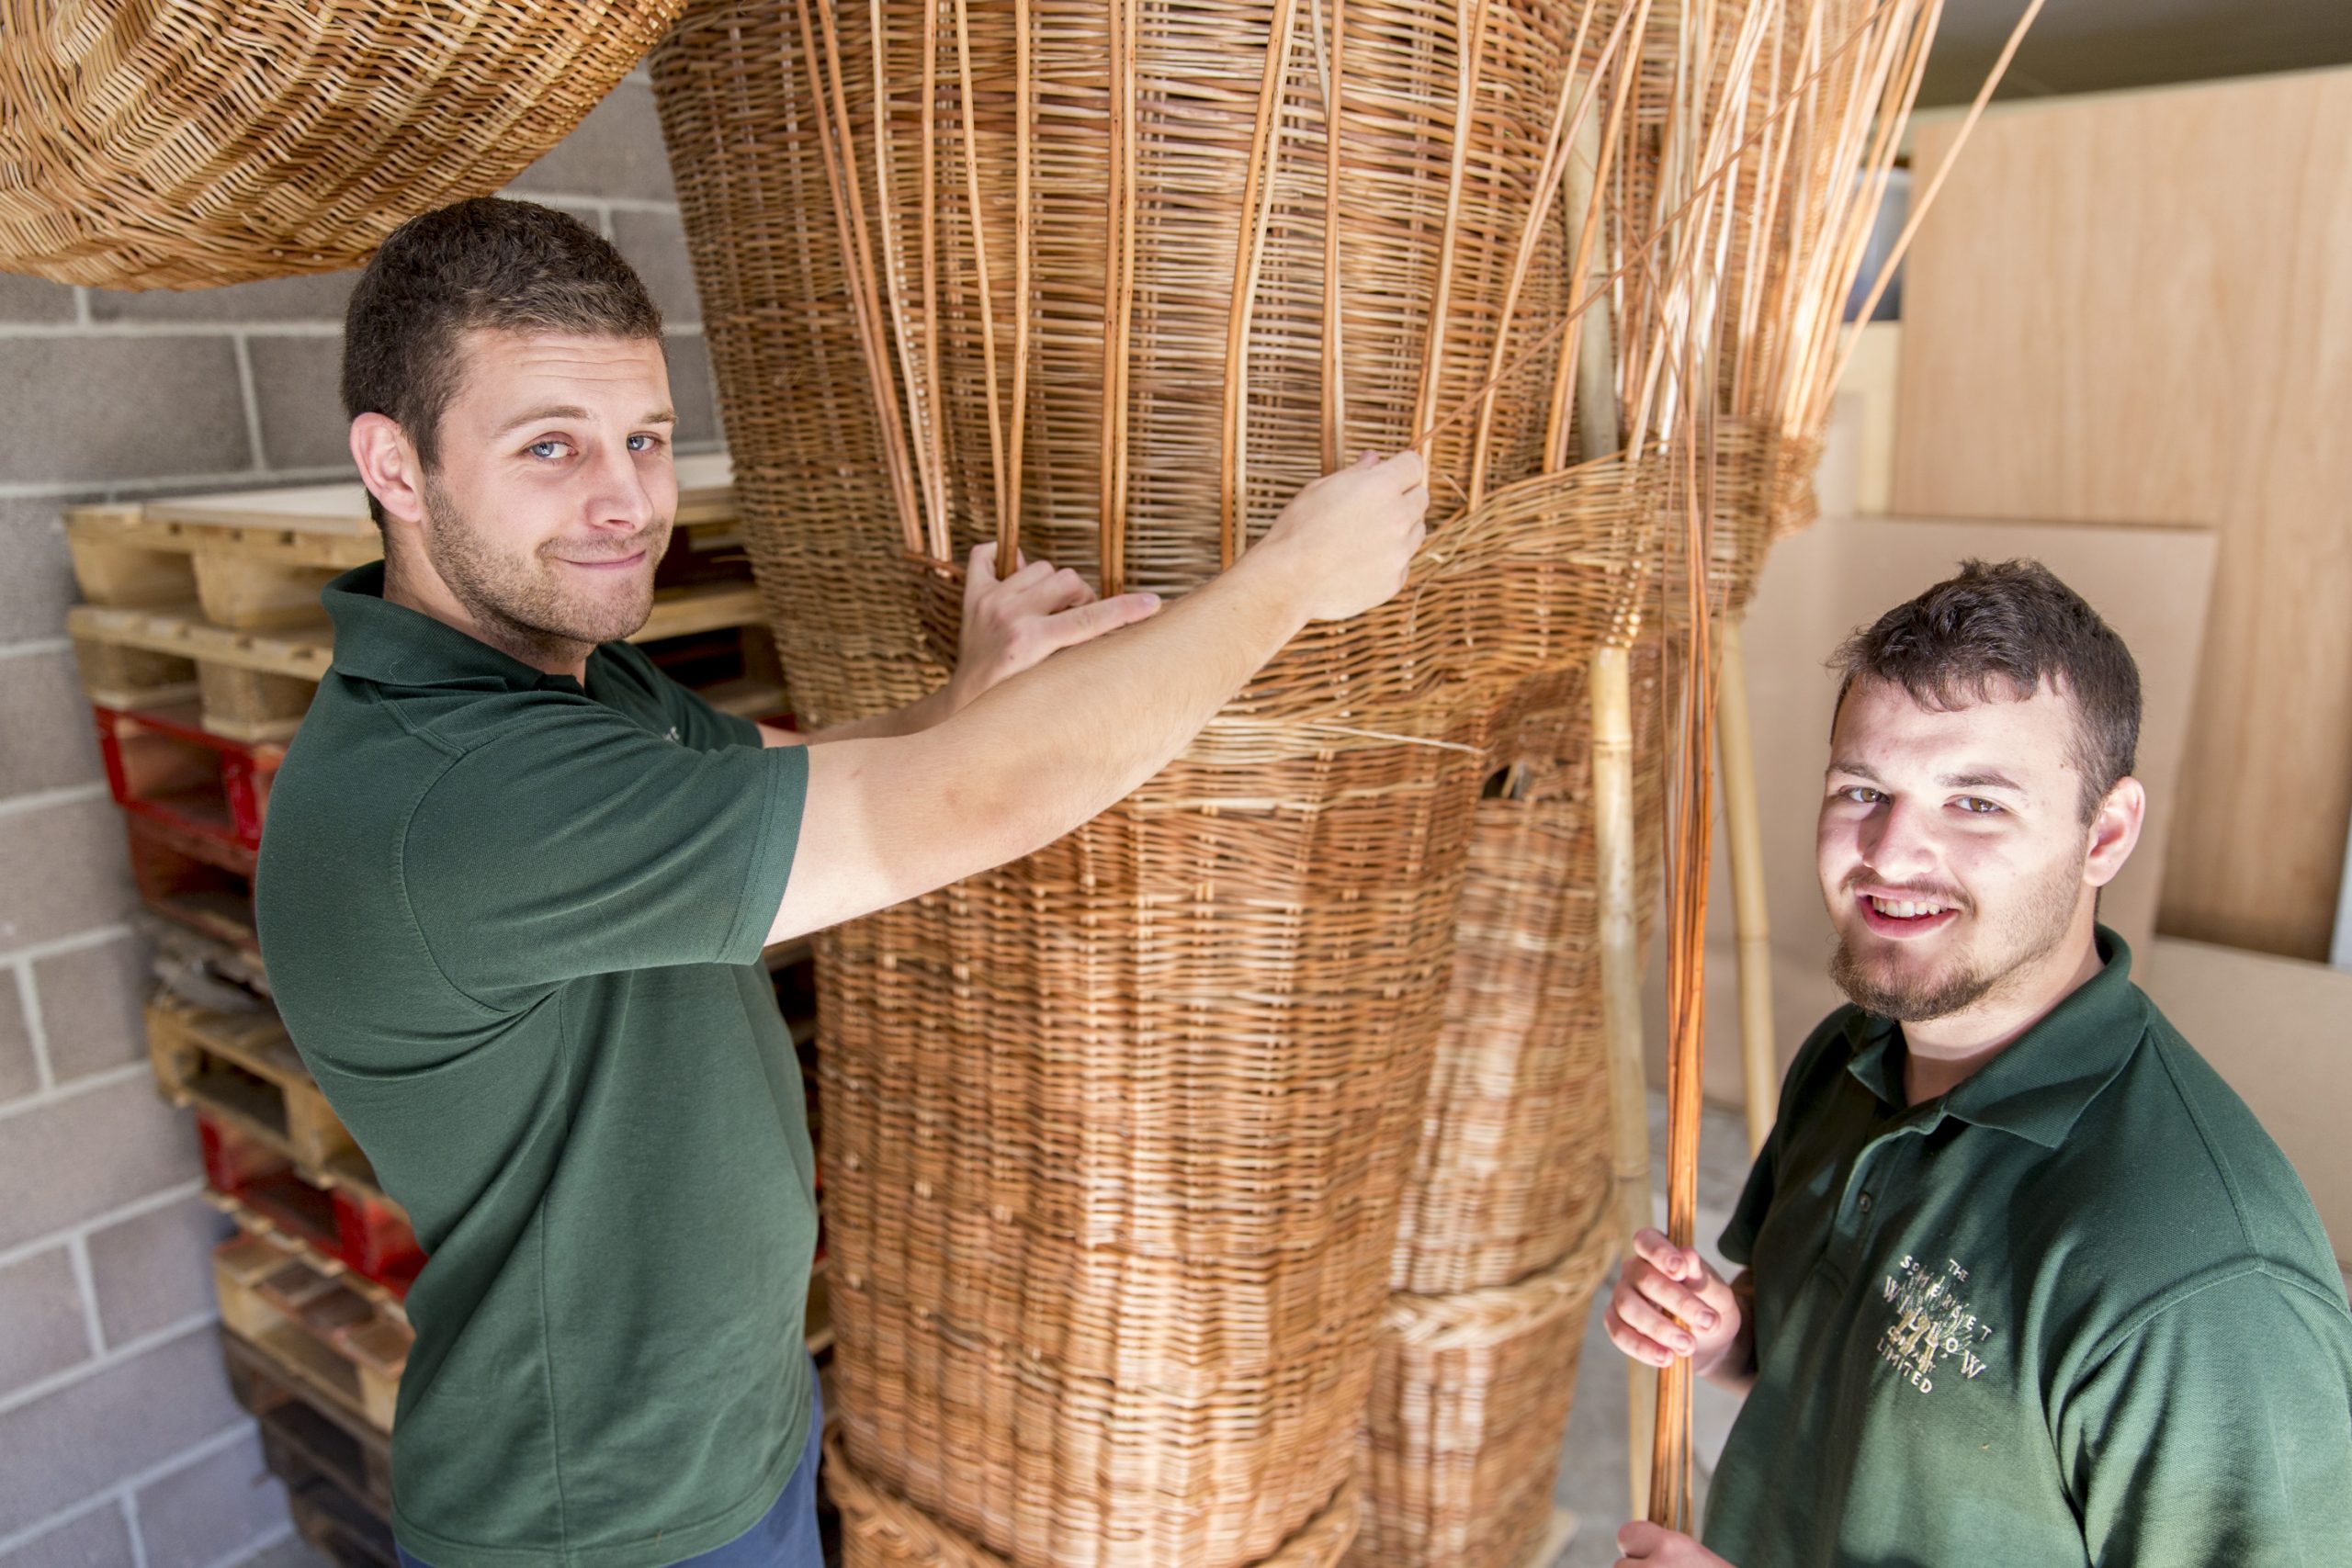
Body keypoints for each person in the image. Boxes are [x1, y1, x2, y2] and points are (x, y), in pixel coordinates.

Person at [253, 197, 1429, 1568]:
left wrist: (965, 695)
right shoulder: (461, 795)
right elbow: (977, 806)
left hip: (727, 1429)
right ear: (394, 464)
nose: (625, 498)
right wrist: (1290, 581)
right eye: (550, 448)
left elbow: (797, 775)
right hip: (608, 1519)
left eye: (641, 437)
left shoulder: (550, 679)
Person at [1601, 560, 2352, 1567]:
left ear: (2107, 833)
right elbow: (1823, 1371)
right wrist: (1726, 1338)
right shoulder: (1854, 1053)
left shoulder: (2196, 1279)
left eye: (1977, 804)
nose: (1890, 852)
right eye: (1862, 789)